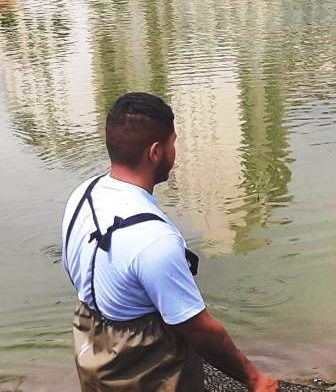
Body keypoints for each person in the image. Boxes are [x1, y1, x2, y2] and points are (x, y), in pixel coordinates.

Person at [61, 92, 278, 392]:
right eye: (173, 143)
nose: (175, 152)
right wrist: (256, 379)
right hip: (142, 366)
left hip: (92, 350)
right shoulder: (155, 241)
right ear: (155, 152)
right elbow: (201, 332)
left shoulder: (82, 196)